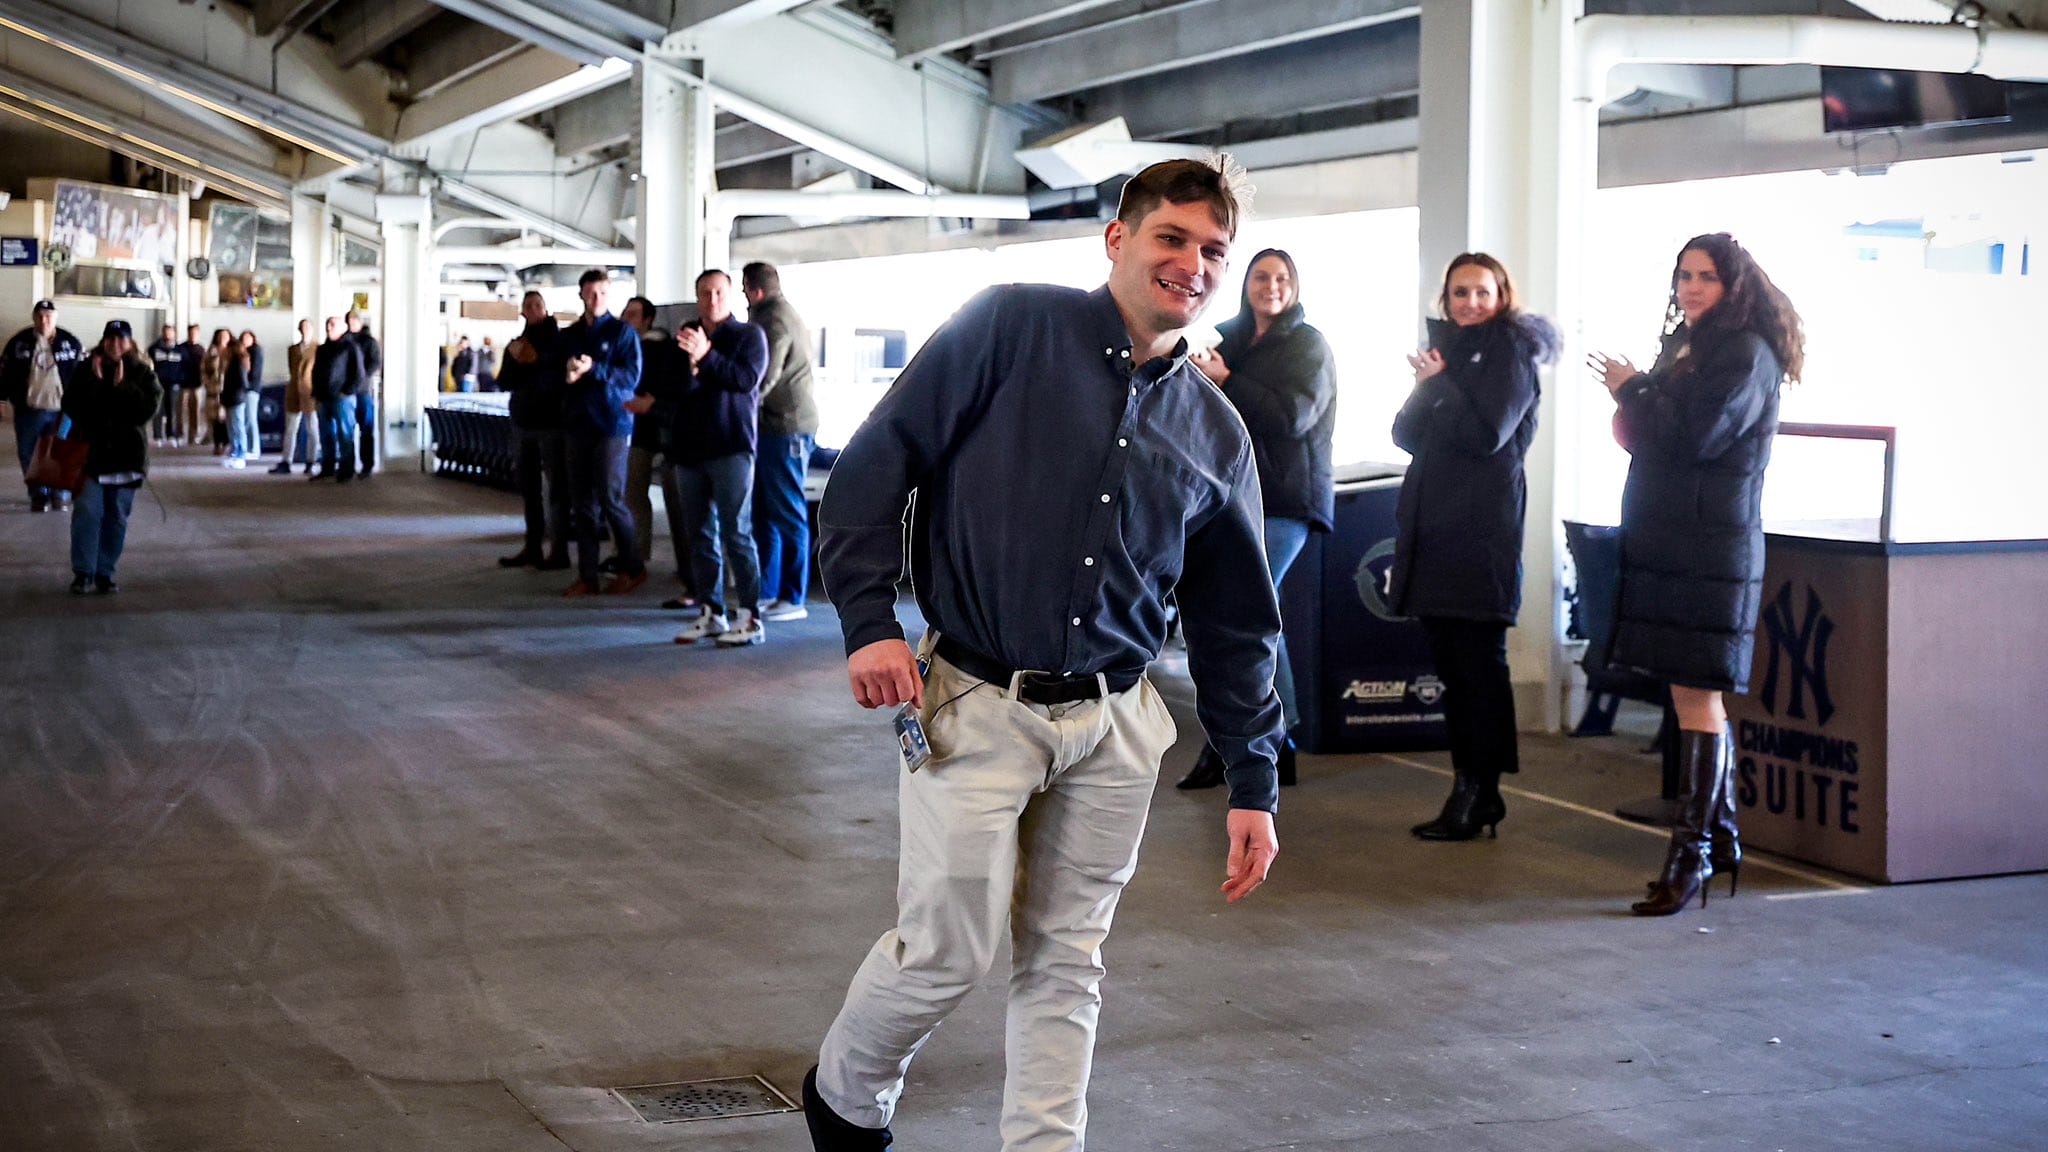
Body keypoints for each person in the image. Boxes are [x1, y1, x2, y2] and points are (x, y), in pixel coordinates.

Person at [803, 157, 1282, 1152]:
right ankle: (847, 1095)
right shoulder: (1010, 326)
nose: (1192, 265)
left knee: (1067, 960)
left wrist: (1253, 779)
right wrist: (868, 622)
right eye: (1171, 239)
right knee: (945, 951)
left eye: (1211, 251)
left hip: (1115, 722)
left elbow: (1235, 620)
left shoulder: (1216, 432)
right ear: (1117, 239)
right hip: (975, 701)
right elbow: (878, 456)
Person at [1589, 232, 1803, 916]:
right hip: (1673, 541)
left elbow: (1695, 438)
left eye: (1705, 276)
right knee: (1691, 698)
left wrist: (1635, 388)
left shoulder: (1744, 353)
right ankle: (1723, 839)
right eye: (1683, 275)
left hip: (1710, 550)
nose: (1690, 287)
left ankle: (1691, 857)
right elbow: (1654, 432)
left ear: (1734, 284)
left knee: (1697, 701)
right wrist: (1639, 396)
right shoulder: (1689, 346)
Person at [1388, 253, 1557, 840]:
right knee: (1454, 670)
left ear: (1502, 294)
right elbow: (1404, 435)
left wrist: (1440, 388)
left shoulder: (1511, 353)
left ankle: (1480, 790)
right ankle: (1471, 787)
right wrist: (1426, 388)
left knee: (1478, 668)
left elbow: (1488, 435)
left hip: (1480, 532)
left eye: (1481, 292)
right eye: (1459, 293)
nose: (1469, 303)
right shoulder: (1449, 359)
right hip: (1433, 530)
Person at [1177, 248, 1337, 792]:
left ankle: (1243, 742)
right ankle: (1277, 738)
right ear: (1246, 284)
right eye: (1261, 277)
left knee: (1248, 609)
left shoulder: (1307, 344)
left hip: (1288, 501)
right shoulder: (1223, 336)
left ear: (1295, 286)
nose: (1271, 286)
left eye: (1282, 277)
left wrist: (1227, 380)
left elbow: (1292, 418)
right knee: (1254, 614)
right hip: (1226, 496)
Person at [656, 269, 768, 646]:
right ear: (697, 297)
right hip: (690, 450)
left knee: (737, 533)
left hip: (732, 447)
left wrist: (705, 357)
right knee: (699, 535)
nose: (712, 299)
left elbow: (745, 380)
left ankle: (750, 616)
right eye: (705, 293)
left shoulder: (749, 336)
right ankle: (711, 611)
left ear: (731, 294)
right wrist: (691, 364)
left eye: (719, 292)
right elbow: (670, 389)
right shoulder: (685, 336)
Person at [558, 269, 646, 597]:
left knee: (611, 500)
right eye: (591, 293)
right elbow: (556, 370)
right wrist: (567, 373)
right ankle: (588, 575)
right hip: (578, 424)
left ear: (609, 296)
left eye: (603, 294)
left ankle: (633, 566)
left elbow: (630, 378)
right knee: (582, 504)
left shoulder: (623, 333)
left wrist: (593, 369)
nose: (596, 299)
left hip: (612, 424)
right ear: (581, 294)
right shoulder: (570, 335)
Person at [743, 261, 821, 623]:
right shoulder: (780, 313)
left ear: (754, 289)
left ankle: (793, 595)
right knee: (766, 512)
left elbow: (765, 374)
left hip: (786, 427)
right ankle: (769, 591)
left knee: (787, 513)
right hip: (775, 427)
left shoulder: (773, 320)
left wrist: (742, 404)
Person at [61, 320, 162, 594]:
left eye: (121, 339)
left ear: (129, 343)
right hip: (89, 457)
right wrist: (95, 384)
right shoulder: (86, 369)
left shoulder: (142, 372)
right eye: (110, 338)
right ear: (103, 340)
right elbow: (70, 405)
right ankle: (83, 572)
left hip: (126, 459)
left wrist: (122, 387)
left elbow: (146, 410)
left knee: (116, 517)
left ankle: (105, 572)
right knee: (87, 512)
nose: (115, 344)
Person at [618, 296, 688, 585]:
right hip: (640, 430)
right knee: (634, 494)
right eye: (625, 314)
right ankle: (637, 555)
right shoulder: (629, 347)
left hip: (662, 430)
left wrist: (652, 402)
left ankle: (687, 568)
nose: (626, 320)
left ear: (648, 319)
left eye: (633, 315)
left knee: (676, 502)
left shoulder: (663, 348)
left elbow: (671, 385)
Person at [499, 292, 570, 569]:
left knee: (557, 489)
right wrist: (517, 359)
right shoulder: (516, 345)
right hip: (523, 422)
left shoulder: (560, 342)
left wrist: (535, 360)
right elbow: (504, 381)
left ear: (546, 308)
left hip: (552, 424)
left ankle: (559, 549)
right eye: (528, 306)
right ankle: (532, 546)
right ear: (522, 313)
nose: (533, 310)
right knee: (529, 489)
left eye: (537, 305)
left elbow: (559, 377)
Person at [3, 299, 84, 512]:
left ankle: (60, 493)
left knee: (62, 451)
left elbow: (81, 375)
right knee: (29, 453)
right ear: (34, 317)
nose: (44, 320)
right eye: (39, 315)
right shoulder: (18, 343)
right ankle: (38, 495)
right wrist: (2, 399)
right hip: (29, 409)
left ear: (55, 318)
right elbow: (5, 374)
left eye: (48, 316)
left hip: (63, 410)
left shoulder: (70, 343)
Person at [311, 317, 365, 483]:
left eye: (332, 324)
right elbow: (316, 372)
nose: (329, 327)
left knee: (345, 434)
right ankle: (327, 468)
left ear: (342, 328)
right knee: (326, 435)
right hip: (323, 398)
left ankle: (346, 470)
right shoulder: (322, 349)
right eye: (327, 324)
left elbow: (358, 373)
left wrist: (346, 392)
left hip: (342, 399)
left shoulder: (350, 347)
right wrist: (316, 393)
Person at [276, 319, 321, 475]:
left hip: (310, 393)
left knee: (312, 429)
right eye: (303, 328)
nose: (305, 330)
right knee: (290, 429)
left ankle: (311, 460)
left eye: (308, 327)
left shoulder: (318, 349)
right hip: (294, 392)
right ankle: (286, 461)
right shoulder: (293, 349)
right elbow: (292, 370)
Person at [346, 311, 381, 477]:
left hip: (363, 391)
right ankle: (348, 464)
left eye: (353, 321)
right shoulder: (345, 340)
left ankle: (367, 464)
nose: (350, 325)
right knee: (347, 430)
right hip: (347, 391)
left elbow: (375, 363)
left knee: (366, 429)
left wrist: (361, 376)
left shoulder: (369, 342)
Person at [147, 324, 184, 446]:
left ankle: (171, 435)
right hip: (158, 384)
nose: (168, 335)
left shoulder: (180, 350)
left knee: (172, 411)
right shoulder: (154, 349)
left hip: (173, 385)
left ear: (174, 333)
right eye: (166, 332)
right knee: (157, 410)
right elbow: (149, 363)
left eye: (170, 332)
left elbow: (185, 367)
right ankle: (157, 436)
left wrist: (180, 380)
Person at [201, 328, 233, 456]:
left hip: (227, 391)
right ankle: (216, 443)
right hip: (213, 391)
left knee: (224, 419)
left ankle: (226, 443)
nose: (222, 338)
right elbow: (203, 370)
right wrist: (208, 384)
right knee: (214, 419)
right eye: (220, 336)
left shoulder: (232, 352)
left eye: (225, 336)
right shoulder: (211, 352)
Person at [177, 323, 206, 447]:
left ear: (198, 334)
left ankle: (193, 437)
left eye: (195, 333)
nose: (193, 335)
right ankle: (179, 435)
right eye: (191, 333)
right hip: (183, 385)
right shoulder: (180, 348)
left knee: (195, 412)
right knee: (180, 411)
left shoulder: (201, 349)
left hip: (196, 384)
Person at [238, 330, 265, 463]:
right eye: (243, 338)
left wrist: (247, 385)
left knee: (250, 418)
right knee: (246, 419)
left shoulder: (255, 352)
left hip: (251, 389)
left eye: (247, 338)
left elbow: (254, 372)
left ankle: (254, 449)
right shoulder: (243, 353)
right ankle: (248, 447)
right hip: (246, 389)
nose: (245, 340)